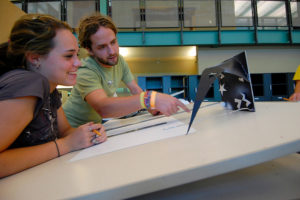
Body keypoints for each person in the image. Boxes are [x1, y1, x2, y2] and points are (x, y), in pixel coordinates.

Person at [0, 14, 107, 178]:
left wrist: (89, 134)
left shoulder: (50, 87)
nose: (78, 63)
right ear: (35, 58)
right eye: (68, 56)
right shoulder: (28, 84)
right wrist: (66, 145)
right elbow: (65, 141)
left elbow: (64, 130)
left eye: (77, 54)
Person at [63, 13, 190, 128]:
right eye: (102, 47)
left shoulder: (120, 61)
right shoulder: (86, 70)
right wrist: (148, 98)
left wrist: (151, 107)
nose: (112, 51)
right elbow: (104, 108)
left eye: (113, 42)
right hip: (71, 128)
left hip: (93, 127)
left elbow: (135, 89)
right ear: (89, 50)